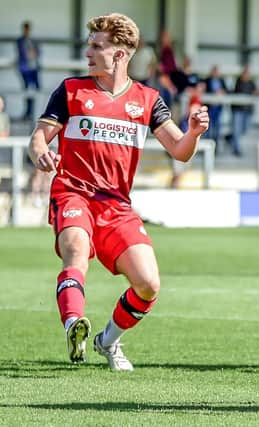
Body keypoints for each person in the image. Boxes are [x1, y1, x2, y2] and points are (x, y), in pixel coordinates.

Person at [27, 13, 209, 371]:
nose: (88, 52)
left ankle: (107, 341)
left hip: (116, 205)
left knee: (148, 284)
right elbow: (37, 139)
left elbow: (180, 152)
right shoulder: (70, 90)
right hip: (72, 193)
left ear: (121, 54)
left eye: (97, 46)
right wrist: (41, 154)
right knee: (76, 250)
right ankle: (73, 324)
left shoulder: (148, 99)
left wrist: (194, 133)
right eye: (89, 45)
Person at [226, 65, 259, 156]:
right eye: (245, 73)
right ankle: (236, 149)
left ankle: (230, 137)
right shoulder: (237, 82)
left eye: (247, 73)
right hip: (238, 110)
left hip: (248, 111)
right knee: (237, 130)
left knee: (245, 129)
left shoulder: (252, 83)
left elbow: (258, 92)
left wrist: (257, 93)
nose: (246, 75)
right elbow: (231, 92)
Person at [16, 20, 41, 121]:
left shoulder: (33, 41)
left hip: (34, 69)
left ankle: (34, 112)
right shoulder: (20, 40)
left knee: (36, 90)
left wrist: (32, 54)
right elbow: (23, 54)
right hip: (26, 70)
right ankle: (28, 112)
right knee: (26, 90)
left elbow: (37, 53)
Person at [202, 65, 228, 148]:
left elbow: (227, 90)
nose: (215, 73)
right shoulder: (207, 80)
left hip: (218, 108)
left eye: (217, 71)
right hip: (209, 107)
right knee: (208, 128)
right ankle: (206, 146)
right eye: (214, 71)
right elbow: (204, 91)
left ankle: (215, 147)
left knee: (217, 128)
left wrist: (222, 91)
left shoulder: (221, 80)